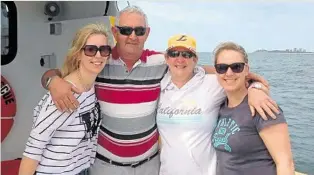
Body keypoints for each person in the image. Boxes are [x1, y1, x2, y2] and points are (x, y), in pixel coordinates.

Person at [40, 6, 278, 175]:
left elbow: (211, 72)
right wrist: (52, 81)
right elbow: (63, 73)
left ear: (147, 34)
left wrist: (254, 85)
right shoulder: (99, 60)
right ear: (115, 33)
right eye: (125, 30)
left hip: (150, 166)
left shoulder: (159, 63)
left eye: (139, 31)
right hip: (106, 165)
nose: (132, 36)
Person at [156, 35, 279, 175]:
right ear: (166, 58)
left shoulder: (212, 84)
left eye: (186, 54)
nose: (180, 59)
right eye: (174, 54)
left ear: (195, 59)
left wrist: (256, 88)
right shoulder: (158, 85)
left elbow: (235, 78)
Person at [18, 23, 111, 175]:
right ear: (78, 54)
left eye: (104, 50)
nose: (98, 55)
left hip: (81, 169)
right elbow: (34, 148)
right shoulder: (67, 94)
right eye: (90, 50)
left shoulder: (91, 86)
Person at [211, 42, 294, 175]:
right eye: (222, 68)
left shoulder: (263, 107)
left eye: (236, 67)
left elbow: (285, 163)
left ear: (247, 69)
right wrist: (256, 86)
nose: (229, 73)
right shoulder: (221, 107)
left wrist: (257, 88)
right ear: (216, 71)